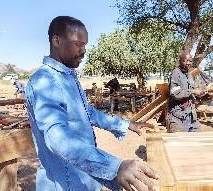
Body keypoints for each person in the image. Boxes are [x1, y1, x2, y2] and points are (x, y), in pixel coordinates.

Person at [25, 16, 159, 191]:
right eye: (78, 44)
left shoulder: (68, 76)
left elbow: (88, 113)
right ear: (57, 41)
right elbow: (57, 138)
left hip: (84, 179)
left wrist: (127, 125)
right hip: (64, 183)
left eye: (85, 45)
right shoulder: (44, 81)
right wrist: (115, 167)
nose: (83, 51)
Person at [167, 51, 204, 133]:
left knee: (199, 140)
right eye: (185, 60)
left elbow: (192, 95)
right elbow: (175, 93)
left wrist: (205, 96)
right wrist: (193, 91)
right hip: (178, 118)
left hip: (191, 117)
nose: (188, 63)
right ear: (180, 61)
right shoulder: (175, 74)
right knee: (179, 144)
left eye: (190, 61)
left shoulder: (189, 75)